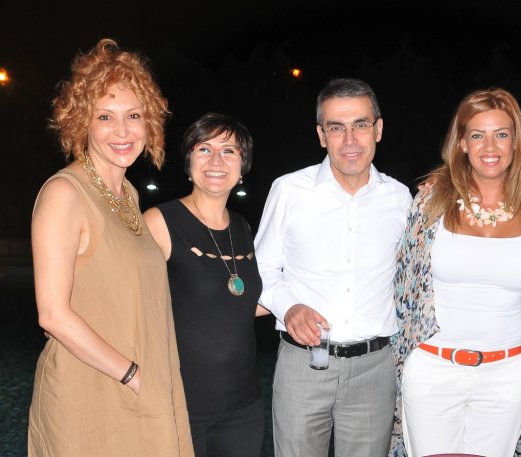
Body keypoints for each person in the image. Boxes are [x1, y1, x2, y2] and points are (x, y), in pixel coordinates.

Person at [28, 38, 193, 456]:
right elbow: (52, 314)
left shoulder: (129, 196)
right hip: (91, 394)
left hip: (137, 393)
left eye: (133, 116)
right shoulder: (65, 193)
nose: (123, 131)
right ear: (81, 122)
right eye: (105, 116)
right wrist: (133, 375)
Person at [389, 88, 521, 457]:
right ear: (462, 143)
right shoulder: (430, 203)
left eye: (502, 134)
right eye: (478, 135)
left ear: (516, 142)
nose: (490, 146)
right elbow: (403, 288)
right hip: (433, 369)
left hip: (506, 375)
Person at [255, 78, 412, 457]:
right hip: (302, 364)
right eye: (336, 127)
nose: (350, 139)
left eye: (361, 124)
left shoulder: (400, 198)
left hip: (375, 369)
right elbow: (261, 269)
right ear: (321, 135)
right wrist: (289, 308)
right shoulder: (289, 190)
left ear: (378, 129)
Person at [144, 113, 269, 456]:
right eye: (204, 149)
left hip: (243, 409)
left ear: (243, 166)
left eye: (229, 151)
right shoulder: (160, 222)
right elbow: (130, 306)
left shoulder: (242, 227)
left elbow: (240, 303)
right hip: (181, 407)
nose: (216, 160)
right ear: (189, 163)